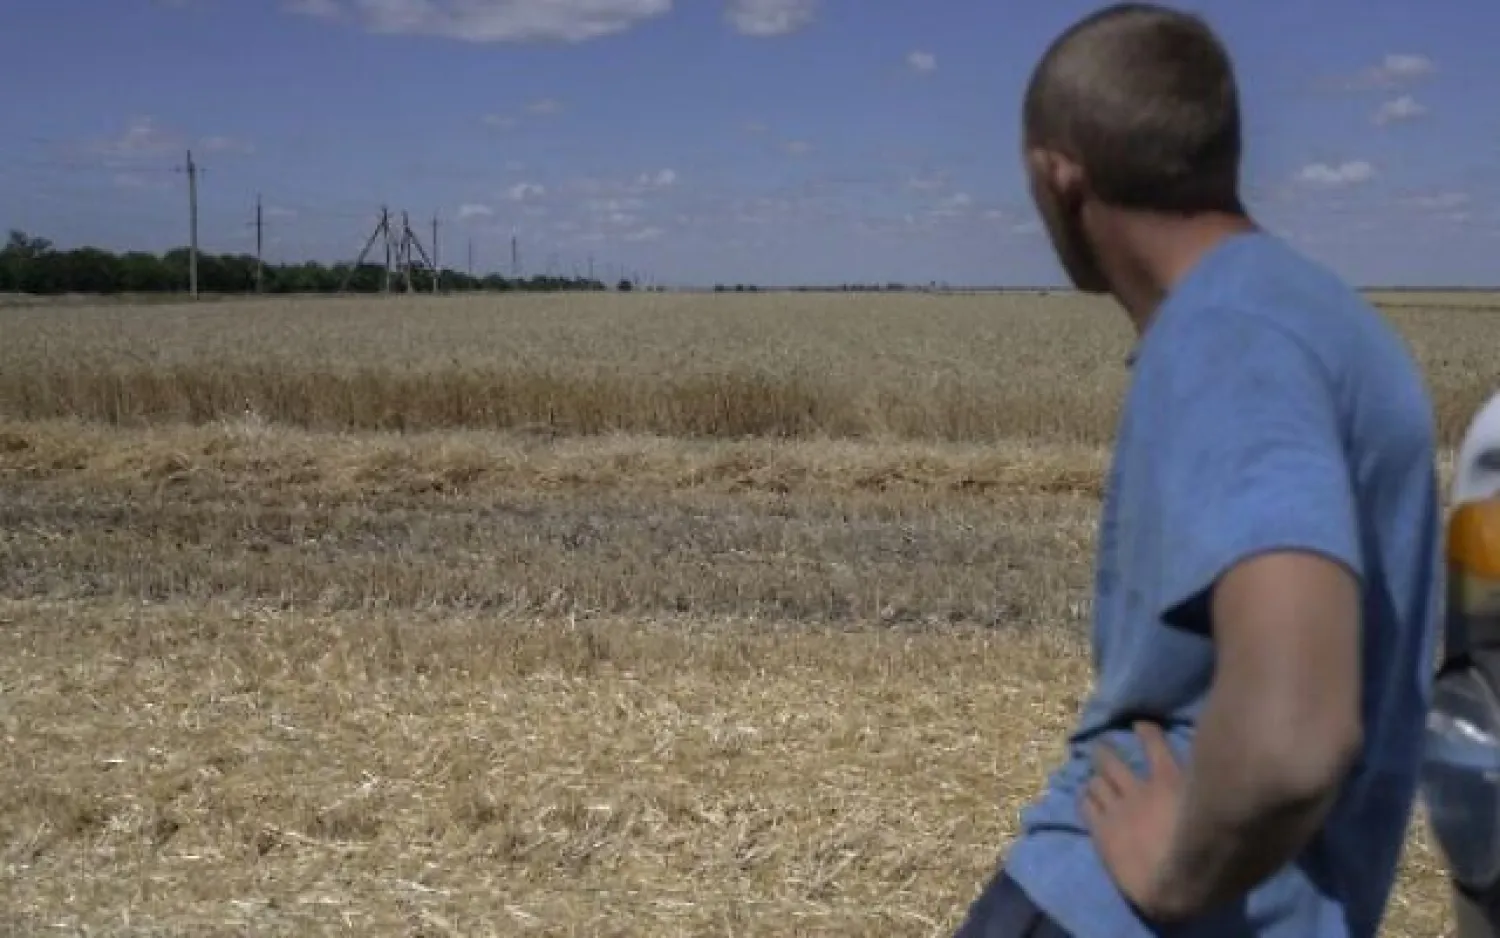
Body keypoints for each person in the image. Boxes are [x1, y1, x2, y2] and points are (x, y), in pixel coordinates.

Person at [955, 4, 1442, 937]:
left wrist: (1176, 875)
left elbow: (1295, 732)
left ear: (1059, 179)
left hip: (1119, 911)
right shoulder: (1320, 315)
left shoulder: (1230, 336)